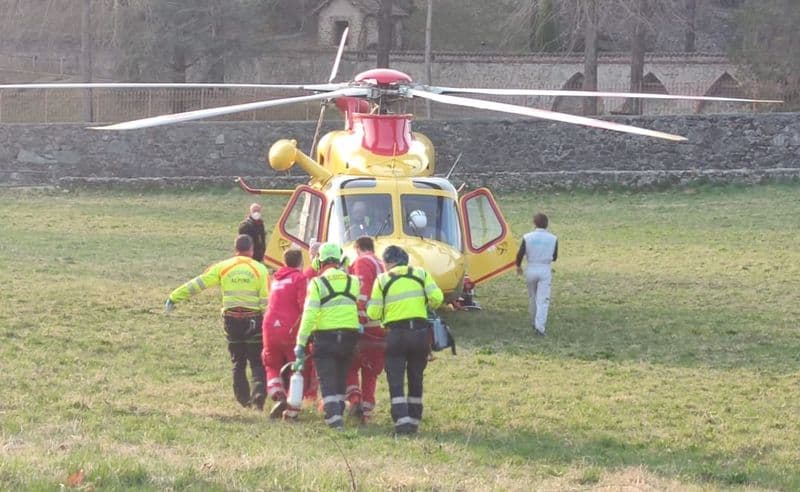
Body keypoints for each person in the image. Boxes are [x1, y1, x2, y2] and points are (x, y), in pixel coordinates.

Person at [165, 234, 269, 409]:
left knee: (238, 361)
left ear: (235, 250)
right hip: (253, 320)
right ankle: (258, 395)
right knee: (257, 361)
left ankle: (244, 400)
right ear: (251, 250)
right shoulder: (260, 269)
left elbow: (199, 283)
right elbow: (266, 298)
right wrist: (267, 320)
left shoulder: (223, 267)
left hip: (231, 320)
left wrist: (174, 297)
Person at [367, 245, 444, 435]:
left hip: (396, 334)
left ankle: (402, 421)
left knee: (395, 378)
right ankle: (415, 418)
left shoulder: (382, 280)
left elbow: (373, 312)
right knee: (416, 376)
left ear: (389, 262)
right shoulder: (421, 274)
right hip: (419, 334)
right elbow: (437, 298)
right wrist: (424, 305)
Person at [293, 242, 361, 429]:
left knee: (327, 378)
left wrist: (300, 342)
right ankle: (338, 410)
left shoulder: (317, 283)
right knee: (341, 376)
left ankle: (334, 419)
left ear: (318, 262)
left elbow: (309, 314)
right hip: (349, 337)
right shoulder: (353, 282)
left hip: (325, 338)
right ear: (340, 261)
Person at [261, 249, 307, 419]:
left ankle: (278, 395)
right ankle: (292, 410)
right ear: (301, 262)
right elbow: (304, 305)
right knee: (296, 367)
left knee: (271, 364)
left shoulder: (276, 279)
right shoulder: (299, 278)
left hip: (269, 326)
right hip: (290, 327)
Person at [345, 236, 386, 424]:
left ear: (357, 247)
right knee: (371, 369)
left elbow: (362, 292)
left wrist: (359, 319)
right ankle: (367, 411)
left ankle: (355, 399)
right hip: (381, 323)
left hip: (366, 323)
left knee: (351, 363)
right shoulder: (380, 262)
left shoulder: (362, 262)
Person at [515, 213, 558, 336]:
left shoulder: (527, 237)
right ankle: (540, 328)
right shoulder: (553, 238)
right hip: (545, 268)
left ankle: (534, 322)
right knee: (543, 300)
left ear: (534, 223)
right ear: (547, 224)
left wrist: (518, 266)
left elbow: (520, 254)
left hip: (531, 268)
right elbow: (555, 257)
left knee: (532, 297)